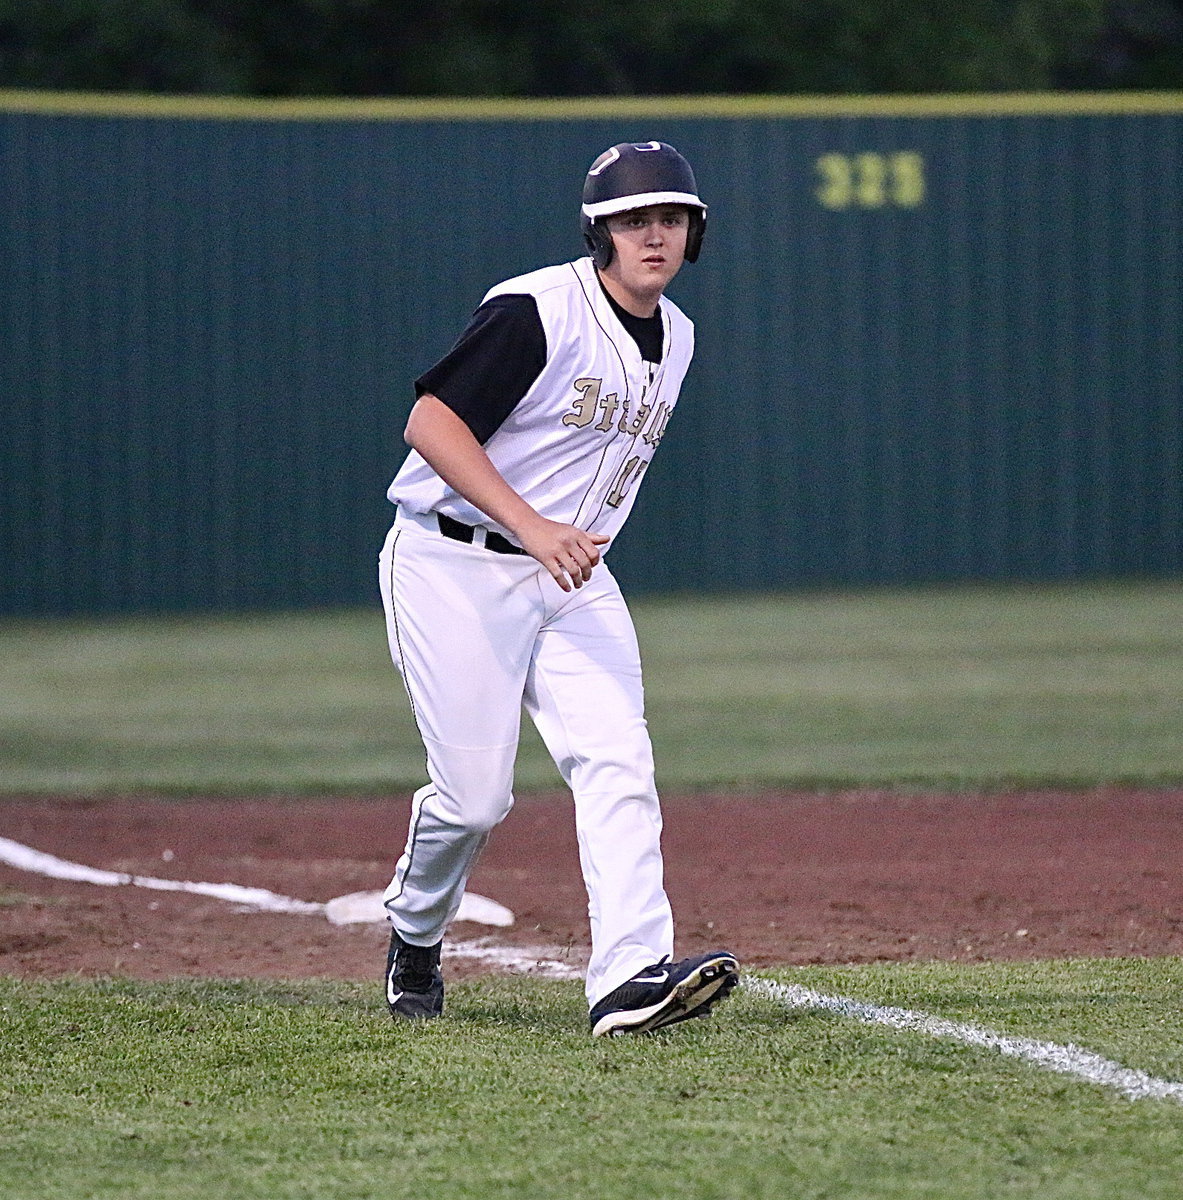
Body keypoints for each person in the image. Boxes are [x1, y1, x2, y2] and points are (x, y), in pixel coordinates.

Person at [377, 140, 739, 1037]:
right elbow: (430, 422)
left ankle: (627, 979)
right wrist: (532, 526)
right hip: (453, 565)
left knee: (617, 762)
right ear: (599, 232)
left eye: (668, 219)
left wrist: (559, 544)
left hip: (571, 582)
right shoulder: (537, 309)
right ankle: (415, 932)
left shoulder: (680, 336)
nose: (652, 234)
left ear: (692, 233)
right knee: (472, 801)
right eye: (631, 220)